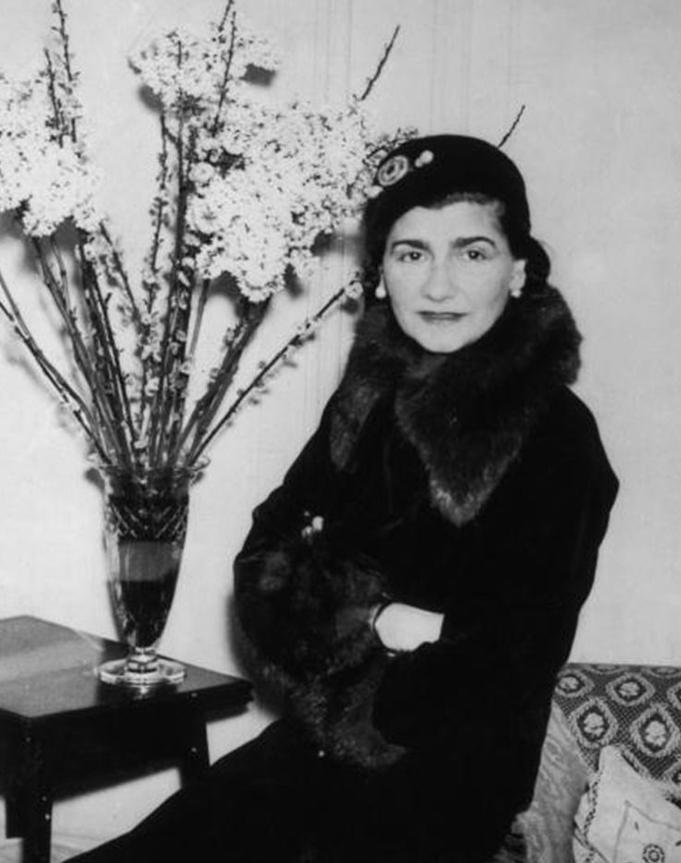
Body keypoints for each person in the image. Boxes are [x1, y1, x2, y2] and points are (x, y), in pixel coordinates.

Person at [71, 135, 618, 863]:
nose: (439, 285)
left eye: (472, 252)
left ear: (518, 271)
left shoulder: (555, 436)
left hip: (442, 785)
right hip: (312, 749)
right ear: (381, 273)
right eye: (411, 252)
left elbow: (506, 661)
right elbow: (261, 563)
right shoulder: (370, 397)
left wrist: (346, 629)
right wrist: (389, 621)